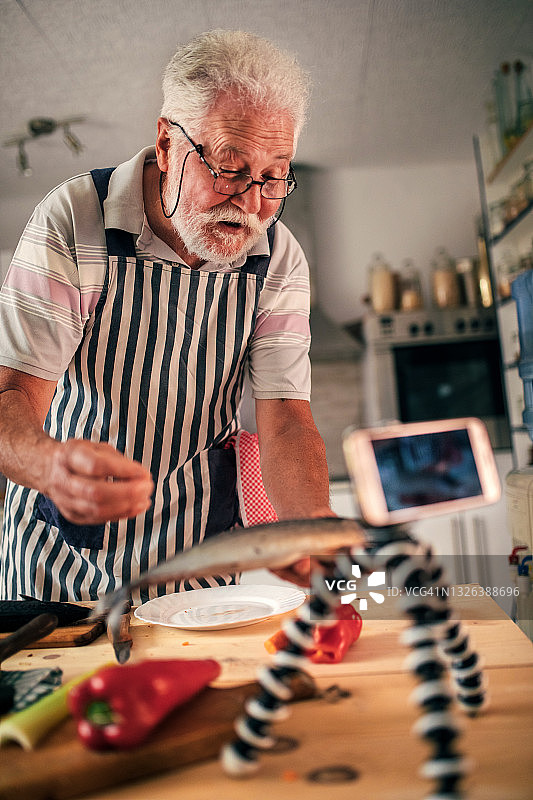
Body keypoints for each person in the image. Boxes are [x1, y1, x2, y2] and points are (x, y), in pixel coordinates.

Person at [0, 29, 334, 603]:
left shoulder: (279, 259)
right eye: (228, 168)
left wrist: (310, 524)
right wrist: (50, 466)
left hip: (197, 562)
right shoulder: (75, 219)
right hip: (56, 564)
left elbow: (285, 419)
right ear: (166, 143)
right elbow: (10, 398)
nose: (251, 203)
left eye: (275, 176)